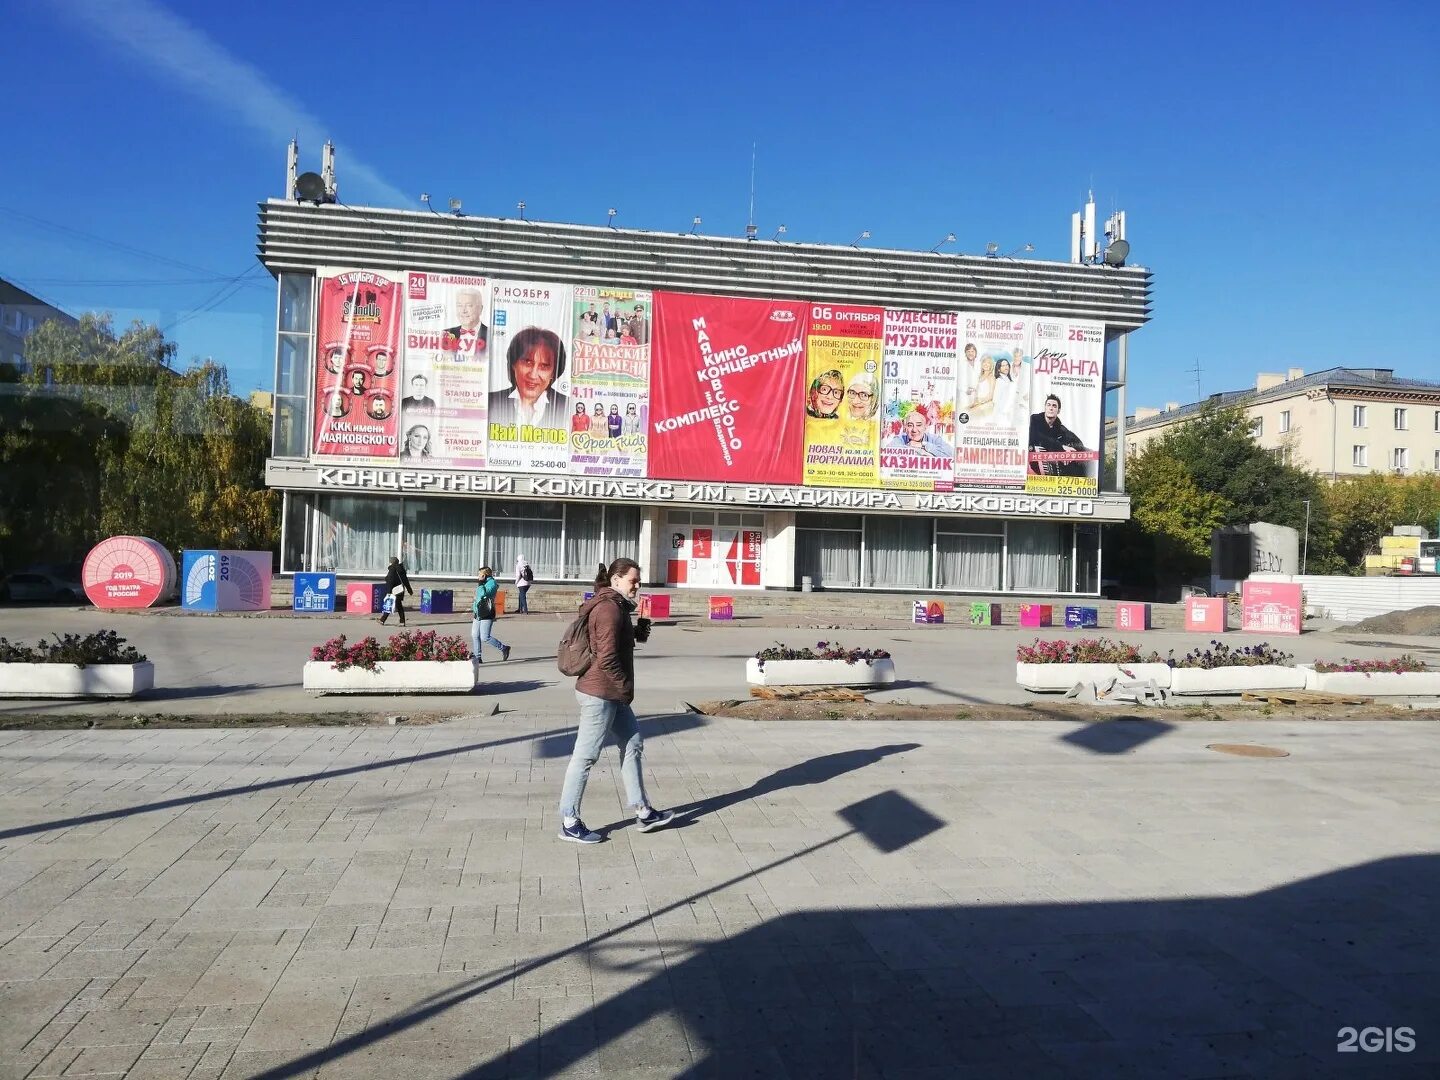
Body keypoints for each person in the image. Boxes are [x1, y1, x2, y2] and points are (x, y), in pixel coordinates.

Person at [557, 558, 673, 844]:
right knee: (585, 757)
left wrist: (635, 633)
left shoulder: (614, 605)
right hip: (601, 694)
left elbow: (610, 643)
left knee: (633, 743)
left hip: (611, 693)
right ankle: (569, 821)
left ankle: (643, 811)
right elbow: (606, 657)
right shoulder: (609, 609)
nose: (637, 584)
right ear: (616, 579)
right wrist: (624, 687)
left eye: (638, 579)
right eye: (633, 579)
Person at [487, 328, 568, 429]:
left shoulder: (567, 407)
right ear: (513, 364)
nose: (533, 375)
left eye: (544, 366)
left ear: (553, 372)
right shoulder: (490, 402)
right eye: (527, 363)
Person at [1028, 393, 1088, 476]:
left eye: (1054, 406)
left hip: (1050, 470)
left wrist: (1071, 452)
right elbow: (1037, 436)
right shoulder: (1034, 420)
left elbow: (1077, 442)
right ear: (1045, 408)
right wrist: (1061, 447)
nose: (1051, 408)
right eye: (1048, 405)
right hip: (1030, 465)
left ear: (1058, 411)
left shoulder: (1060, 427)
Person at [470, 566, 511, 663]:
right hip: (478, 612)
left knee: (485, 637)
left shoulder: (492, 583)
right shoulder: (483, 582)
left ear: (485, 574)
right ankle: (477, 656)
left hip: (486, 612)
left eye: (480, 574)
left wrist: (480, 583)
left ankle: (504, 648)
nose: (478, 576)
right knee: (475, 635)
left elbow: (483, 594)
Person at [884, 405, 954, 456]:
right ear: (905, 428)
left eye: (919, 425)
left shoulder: (935, 439)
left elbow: (951, 454)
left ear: (925, 427)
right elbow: (888, 451)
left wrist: (923, 445)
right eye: (910, 425)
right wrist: (925, 453)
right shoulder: (900, 438)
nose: (914, 429)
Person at [443, 288, 488, 356]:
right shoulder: (446, 334)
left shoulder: (490, 335)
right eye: (460, 305)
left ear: (480, 309)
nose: (463, 311)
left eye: (469, 305)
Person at [377, 555, 413, 627]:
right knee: (398, 605)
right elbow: (405, 580)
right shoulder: (401, 569)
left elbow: (391, 581)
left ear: (391, 562)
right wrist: (409, 590)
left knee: (390, 604)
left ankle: (383, 620)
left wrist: (389, 592)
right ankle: (400, 621)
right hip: (400, 590)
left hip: (393, 590)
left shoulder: (392, 569)